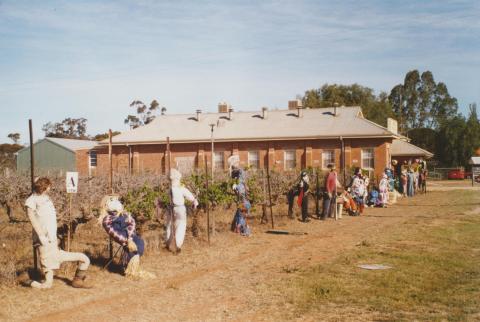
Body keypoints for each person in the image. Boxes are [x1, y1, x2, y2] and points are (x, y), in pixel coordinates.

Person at [25, 177, 92, 289]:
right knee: (47, 285)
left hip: (53, 241)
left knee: (85, 259)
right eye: (48, 186)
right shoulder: (31, 200)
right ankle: (26, 280)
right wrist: (41, 236)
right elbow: (32, 219)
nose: (50, 188)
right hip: (44, 242)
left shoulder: (46, 199)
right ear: (44, 186)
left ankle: (77, 280)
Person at [101, 195, 153, 278]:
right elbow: (113, 233)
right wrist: (126, 241)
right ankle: (128, 268)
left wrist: (130, 237)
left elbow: (132, 222)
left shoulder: (124, 214)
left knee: (140, 244)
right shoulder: (107, 219)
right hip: (122, 238)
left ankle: (133, 267)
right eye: (111, 200)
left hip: (131, 235)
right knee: (130, 248)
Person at [165, 168, 199, 254]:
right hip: (180, 208)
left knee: (169, 225)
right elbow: (191, 197)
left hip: (170, 208)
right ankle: (177, 245)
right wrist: (195, 201)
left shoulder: (169, 188)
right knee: (180, 226)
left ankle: (168, 242)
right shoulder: (180, 188)